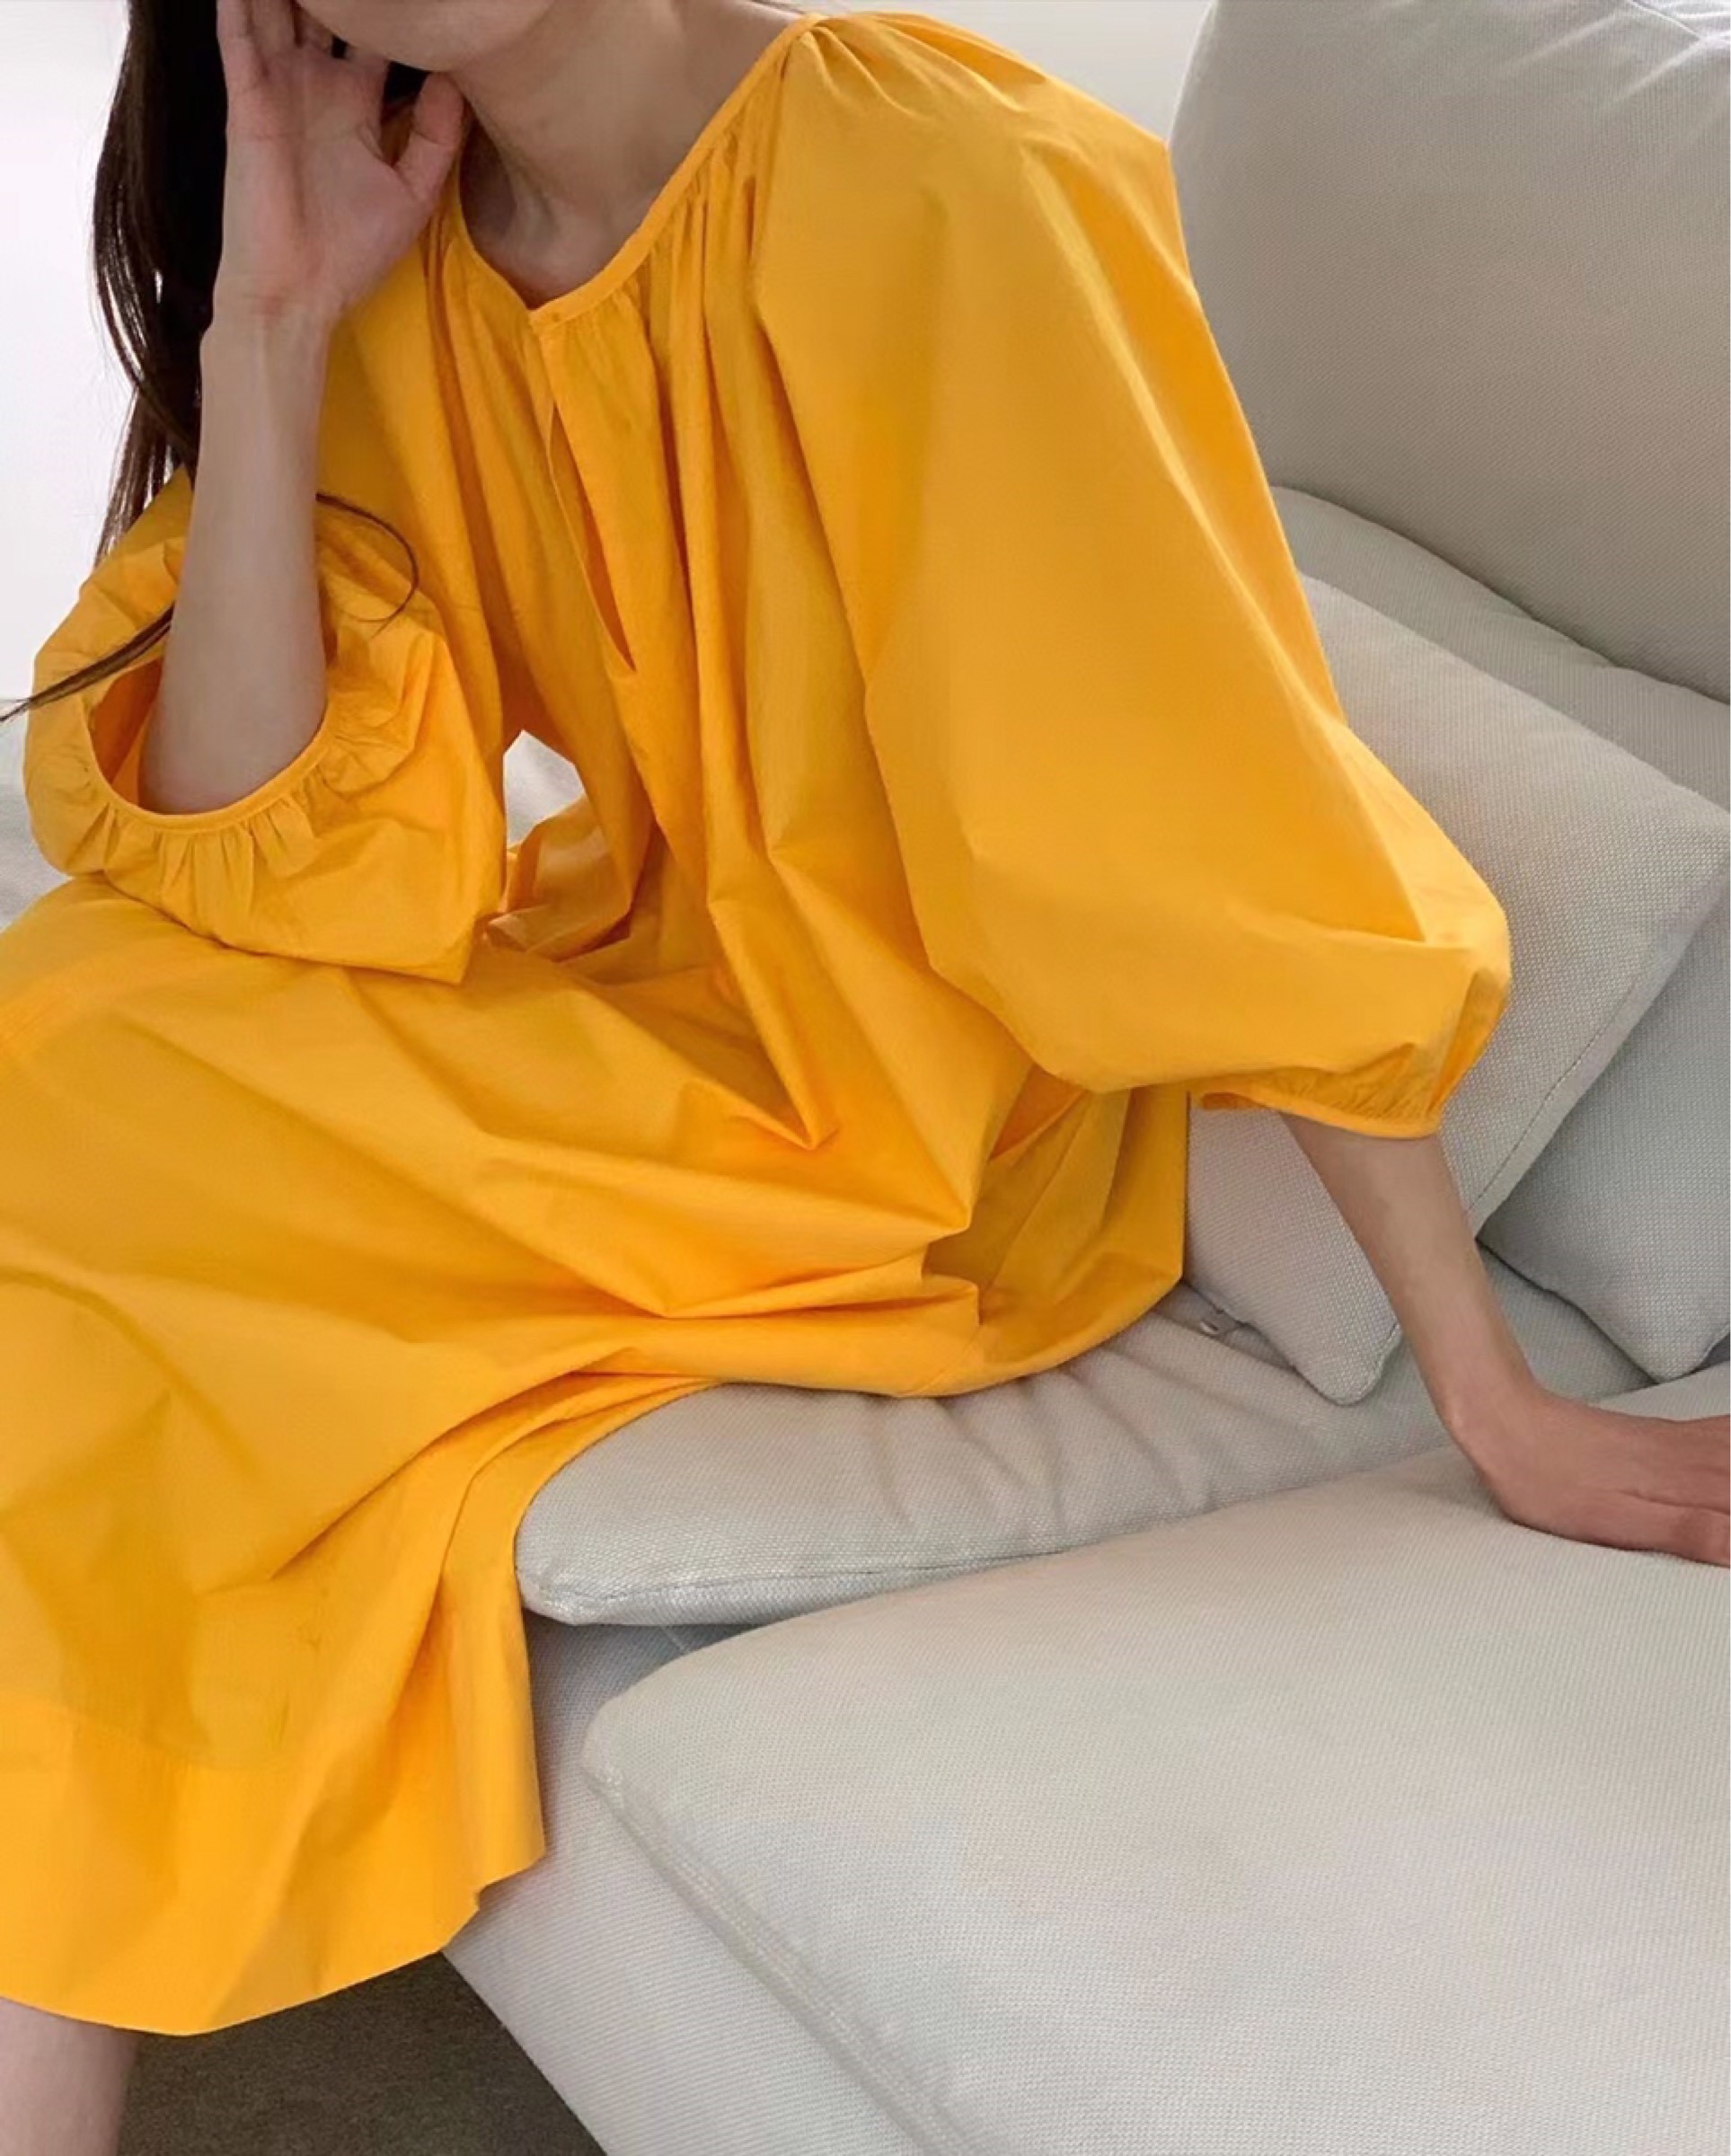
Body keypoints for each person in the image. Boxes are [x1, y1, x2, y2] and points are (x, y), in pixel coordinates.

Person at [1, 0, 1725, 2145]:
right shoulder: (413, 239)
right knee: (76, 1039)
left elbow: (1214, 816)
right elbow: (253, 836)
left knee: (84, 1230)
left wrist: (1490, 1391)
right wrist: (271, 331)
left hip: (905, 1132)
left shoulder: (942, 189)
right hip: (630, 1000)